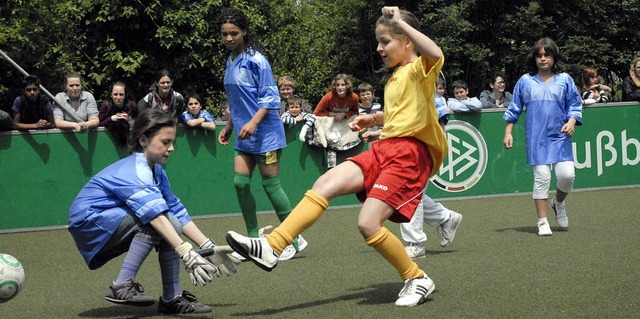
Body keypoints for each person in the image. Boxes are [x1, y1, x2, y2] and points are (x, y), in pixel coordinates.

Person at [226, 6, 448, 307]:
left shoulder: (421, 68)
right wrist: (373, 121)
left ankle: (417, 277)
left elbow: (435, 52)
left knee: (368, 223)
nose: (379, 48)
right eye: (379, 42)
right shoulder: (396, 76)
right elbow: (403, 114)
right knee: (326, 182)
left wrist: (399, 22)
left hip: (410, 155)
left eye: (385, 41)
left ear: (407, 41)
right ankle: (273, 245)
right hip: (386, 148)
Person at [68, 109, 239, 314]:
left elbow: (176, 210)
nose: (172, 148)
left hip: (110, 218)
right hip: (89, 222)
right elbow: (155, 217)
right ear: (143, 140)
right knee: (158, 223)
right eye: (165, 142)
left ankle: (171, 299)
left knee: (170, 223)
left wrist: (208, 246)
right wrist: (186, 252)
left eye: (173, 142)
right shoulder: (136, 171)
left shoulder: (156, 170)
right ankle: (121, 284)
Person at [216, 7, 307, 261]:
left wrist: (254, 123)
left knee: (270, 185)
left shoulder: (257, 60)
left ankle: (295, 237)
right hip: (244, 134)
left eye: (234, 33)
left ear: (244, 32)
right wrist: (230, 125)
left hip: (265, 133)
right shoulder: (230, 61)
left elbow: (270, 98)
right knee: (240, 183)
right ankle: (254, 239)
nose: (229, 38)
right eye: (225, 34)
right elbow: (237, 100)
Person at [503, 37, 582, 236]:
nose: (543, 59)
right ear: (534, 58)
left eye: (547, 55)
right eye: (539, 55)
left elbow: (574, 104)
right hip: (536, 138)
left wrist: (571, 122)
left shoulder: (565, 79)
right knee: (542, 177)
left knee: (567, 175)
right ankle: (542, 221)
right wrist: (508, 132)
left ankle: (559, 202)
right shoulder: (525, 81)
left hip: (560, 136)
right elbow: (514, 108)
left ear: (554, 57)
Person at [399, 95, 462, 259]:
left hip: (422, 152)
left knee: (409, 195)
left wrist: (434, 153)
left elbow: (441, 127)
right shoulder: (401, 91)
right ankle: (446, 217)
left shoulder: (428, 93)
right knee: (409, 194)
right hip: (405, 150)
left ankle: (415, 243)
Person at [99, 81, 136, 146]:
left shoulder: (132, 106)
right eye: (115, 94)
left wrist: (129, 120)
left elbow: (140, 124)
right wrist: (111, 118)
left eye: (121, 95)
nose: (118, 98)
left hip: (129, 140)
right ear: (111, 94)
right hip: (109, 140)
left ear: (125, 95)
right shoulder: (105, 106)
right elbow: (99, 124)